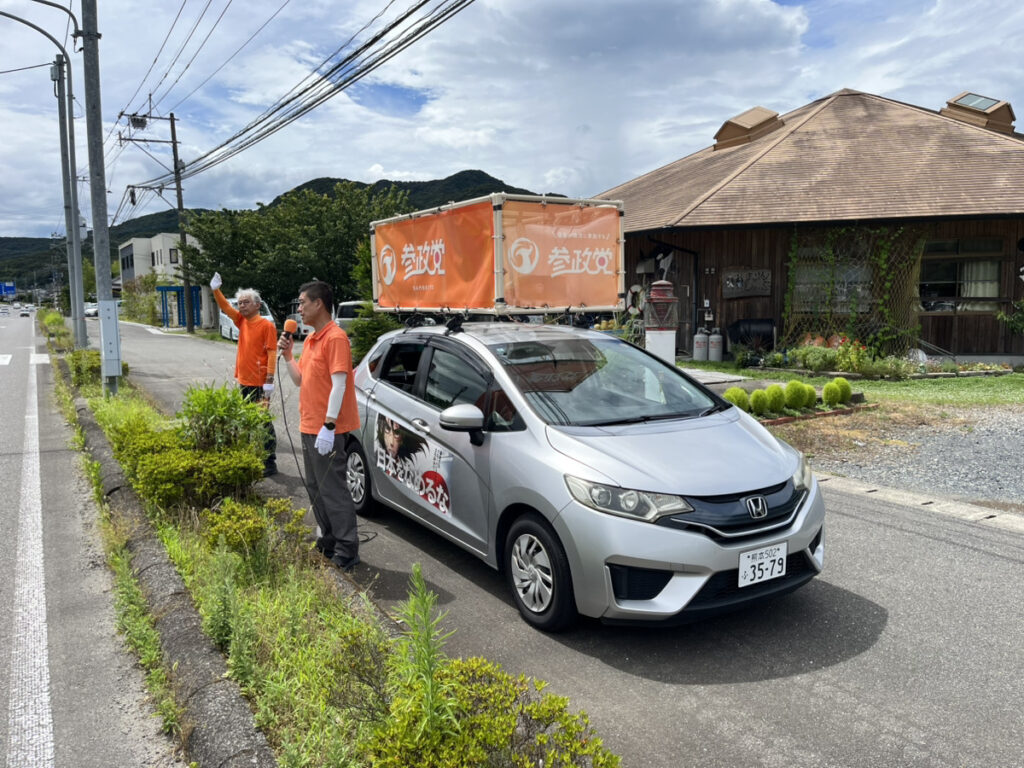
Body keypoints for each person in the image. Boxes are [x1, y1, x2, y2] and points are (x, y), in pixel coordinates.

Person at [277, 280, 361, 571]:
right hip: (309, 425)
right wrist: (288, 356)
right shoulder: (312, 339)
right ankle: (329, 540)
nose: (298, 308)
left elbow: (339, 384)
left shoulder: (335, 338)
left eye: (302, 302)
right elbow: (300, 380)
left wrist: (329, 425)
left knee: (333, 489)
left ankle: (347, 549)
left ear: (318, 304)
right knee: (314, 486)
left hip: (327, 430)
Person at [210, 272, 279, 476]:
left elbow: (272, 352)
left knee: (263, 421)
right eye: (240, 303)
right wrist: (216, 290)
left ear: (257, 305)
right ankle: (251, 456)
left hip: (260, 382)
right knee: (247, 420)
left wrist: (269, 379)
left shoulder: (266, 325)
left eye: (246, 302)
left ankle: (269, 461)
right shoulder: (241, 321)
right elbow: (224, 307)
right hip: (244, 380)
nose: (241, 306)